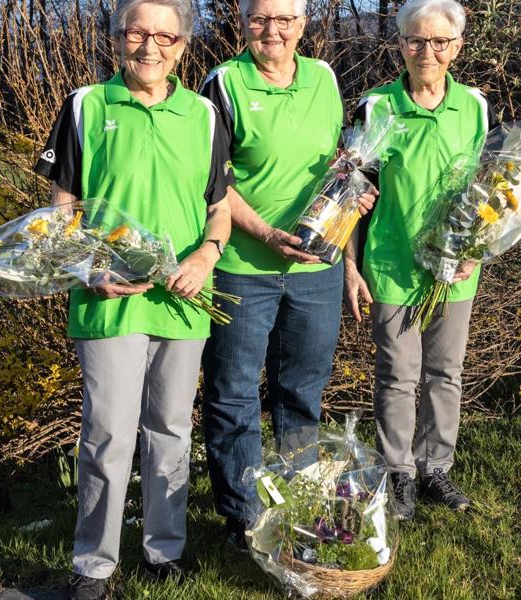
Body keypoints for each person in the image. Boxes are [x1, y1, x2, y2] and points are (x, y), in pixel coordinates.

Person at [33, 0, 232, 596]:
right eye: (137, 32)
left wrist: (205, 257)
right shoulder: (86, 106)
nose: (151, 46)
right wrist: (84, 265)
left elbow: (218, 207)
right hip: (107, 299)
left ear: (183, 44)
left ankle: (163, 550)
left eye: (165, 36)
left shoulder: (203, 113)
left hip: (184, 299)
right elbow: (61, 206)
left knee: (171, 428)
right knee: (107, 434)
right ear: (118, 37)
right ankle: (94, 563)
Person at [198, 0, 374, 550]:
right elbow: (212, 181)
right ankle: (243, 516)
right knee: (232, 394)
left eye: (284, 20)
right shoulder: (221, 84)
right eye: (260, 19)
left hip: (315, 272)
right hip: (240, 267)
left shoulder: (323, 78)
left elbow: (339, 164)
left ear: (303, 25)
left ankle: (298, 506)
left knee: (301, 390)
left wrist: (349, 224)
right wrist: (267, 234)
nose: (272, 30)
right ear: (245, 23)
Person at [344, 0, 497, 520]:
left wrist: (476, 250)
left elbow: (493, 189)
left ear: (456, 47)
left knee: (445, 373)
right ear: (400, 44)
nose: (425, 52)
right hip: (391, 266)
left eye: (438, 42)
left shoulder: (476, 106)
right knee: (397, 375)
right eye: (414, 40)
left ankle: (435, 468)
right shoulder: (376, 107)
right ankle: (399, 473)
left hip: (455, 268)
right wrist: (350, 264)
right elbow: (351, 192)